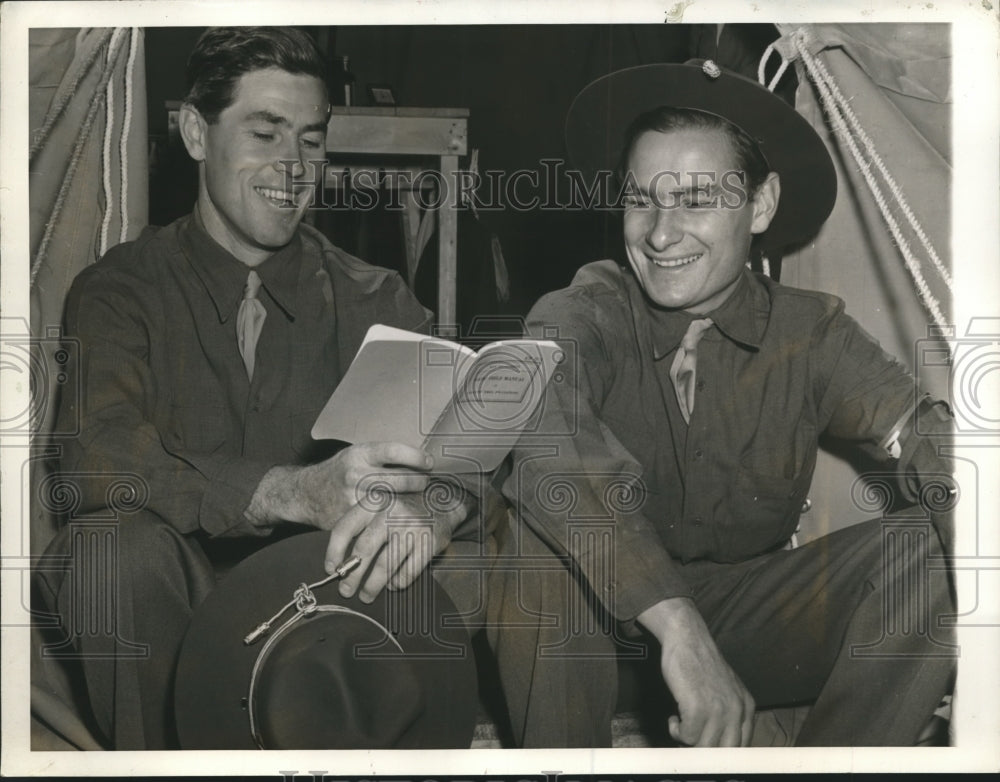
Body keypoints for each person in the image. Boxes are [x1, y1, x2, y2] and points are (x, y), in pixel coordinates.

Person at [488, 60, 957, 747]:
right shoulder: (586, 311)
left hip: (743, 625)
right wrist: (677, 624)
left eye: (696, 200)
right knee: (542, 527)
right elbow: (542, 431)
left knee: (940, 542)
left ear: (760, 207)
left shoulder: (811, 333)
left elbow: (924, 435)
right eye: (641, 199)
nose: (660, 234)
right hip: (588, 633)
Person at [36, 27, 480, 750]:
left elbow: (471, 451)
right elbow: (95, 461)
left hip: (328, 600)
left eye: (311, 140)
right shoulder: (118, 291)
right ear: (195, 133)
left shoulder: (377, 297)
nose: (293, 167)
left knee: (501, 556)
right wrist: (289, 491)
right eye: (265, 133)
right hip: (173, 603)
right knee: (108, 554)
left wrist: (439, 506)